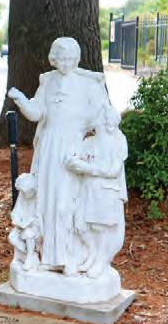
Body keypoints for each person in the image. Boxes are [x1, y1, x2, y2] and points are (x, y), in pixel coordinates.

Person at [8, 37, 110, 276]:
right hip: (48, 147)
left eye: (70, 59)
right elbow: (37, 112)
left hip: (72, 149)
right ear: (53, 59)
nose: (65, 63)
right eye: (61, 59)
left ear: (77, 58)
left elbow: (102, 117)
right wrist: (21, 100)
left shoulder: (88, 85)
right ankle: (47, 256)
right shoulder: (48, 81)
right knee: (46, 201)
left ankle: (71, 256)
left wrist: (97, 146)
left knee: (67, 202)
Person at [66, 105, 128, 278]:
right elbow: (73, 159)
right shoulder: (89, 142)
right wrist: (75, 162)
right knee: (82, 224)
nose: (103, 124)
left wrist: (88, 168)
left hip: (106, 190)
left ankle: (101, 261)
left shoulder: (118, 141)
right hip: (87, 189)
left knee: (101, 227)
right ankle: (91, 254)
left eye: (107, 121)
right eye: (101, 121)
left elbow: (113, 171)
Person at [7, 173, 41, 271]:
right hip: (22, 226)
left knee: (28, 234)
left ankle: (30, 257)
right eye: (22, 192)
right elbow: (16, 212)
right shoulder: (23, 196)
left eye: (26, 192)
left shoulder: (39, 198)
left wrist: (27, 223)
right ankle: (23, 255)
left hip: (35, 228)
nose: (24, 195)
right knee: (12, 237)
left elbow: (39, 218)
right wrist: (17, 220)